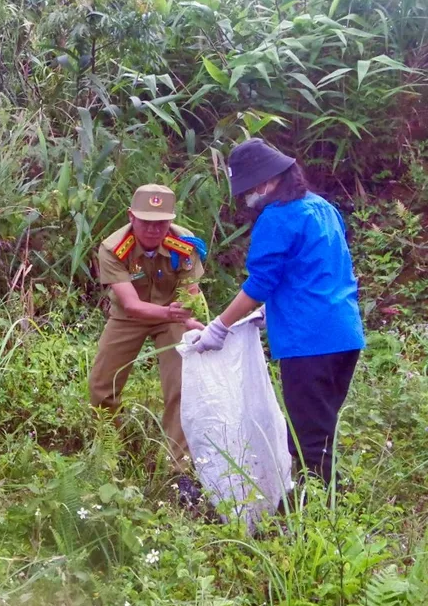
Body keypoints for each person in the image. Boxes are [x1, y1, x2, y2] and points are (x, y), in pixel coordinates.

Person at [190, 138, 365, 485]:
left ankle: (323, 520)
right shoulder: (323, 208)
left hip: (308, 340)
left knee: (311, 442)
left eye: (250, 189)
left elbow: (260, 284)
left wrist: (220, 326)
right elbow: (319, 270)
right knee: (319, 430)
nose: (249, 197)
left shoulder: (278, 217)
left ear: (266, 181)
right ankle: (302, 510)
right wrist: (273, 311)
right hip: (345, 335)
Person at [88, 184, 208, 503]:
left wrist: (193, 322)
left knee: (181, 386)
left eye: (161, 222)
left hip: (173, 315)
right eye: (146, 221)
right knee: (102, 385)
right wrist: (170, 311)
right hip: (131, 316)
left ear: (171, 220)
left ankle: (177, 470)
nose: (154, 229)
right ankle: (112, 452)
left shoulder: (184, 244)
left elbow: (190, 294)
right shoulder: (114, 248)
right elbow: (131, 305)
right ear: (131, 216)